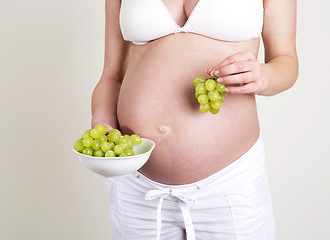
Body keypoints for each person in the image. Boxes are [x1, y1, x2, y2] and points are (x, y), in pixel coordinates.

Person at [91, 0, 298, 239]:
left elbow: (286, 61)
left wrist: (265, 75)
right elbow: (111, 75)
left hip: (230, 184)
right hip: (137, 185)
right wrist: (102, 121)